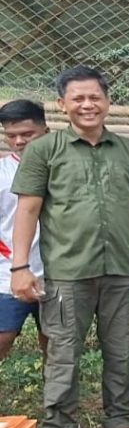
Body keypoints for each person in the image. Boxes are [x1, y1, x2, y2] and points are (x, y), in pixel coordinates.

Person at [11, 65, 129, 428]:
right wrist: (19, 267)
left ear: (107, 101)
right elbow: (29, 208)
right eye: (78, 98)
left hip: (122, 271)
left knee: (122, 350)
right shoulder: (44, 151)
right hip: (67, 273)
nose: (87, 105)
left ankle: (122, 424)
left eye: (95, 97)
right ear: (63, 105)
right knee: (62, 356)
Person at [0, 100, 48, 361]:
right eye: (11, 135)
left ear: (45, 131)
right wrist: (12, 259)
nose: (19, 141)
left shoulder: (61, 169)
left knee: (54, 342)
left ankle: (56, 399)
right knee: (3, 335)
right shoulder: (1, 172)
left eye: (27, 134)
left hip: (58, 270)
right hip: (8, 270)